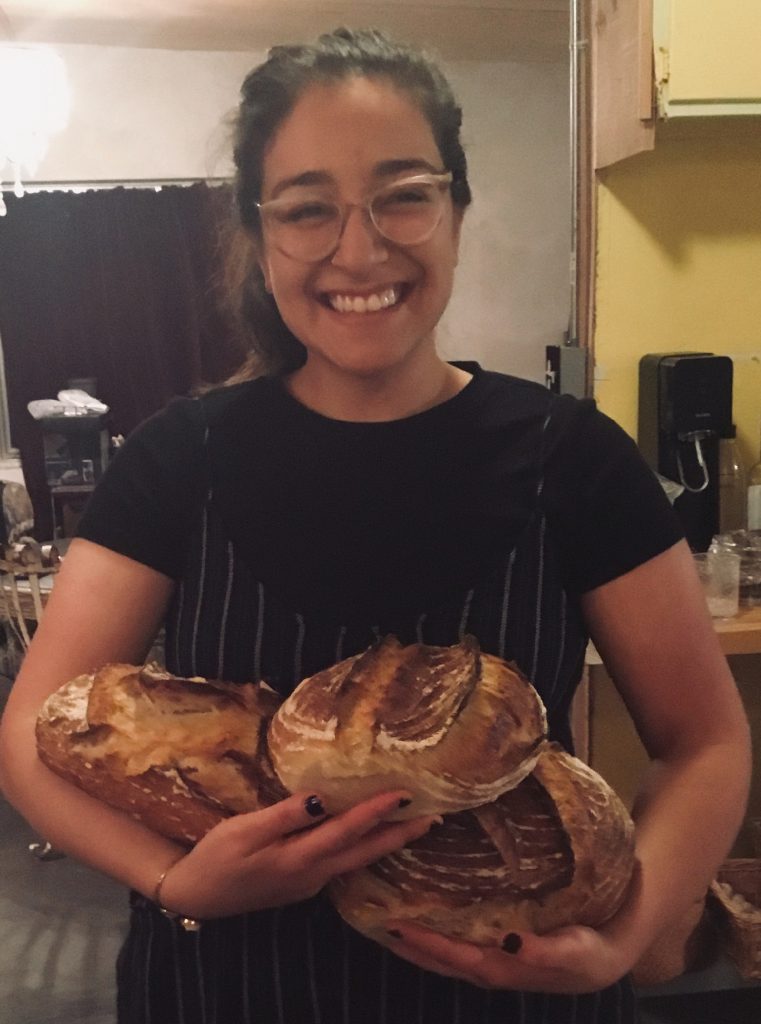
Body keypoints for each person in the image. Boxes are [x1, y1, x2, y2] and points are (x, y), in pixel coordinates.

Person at [0, 27, 751, 1024]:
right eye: (308, 210)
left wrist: (622, 935)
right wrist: (178, 883)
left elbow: (702, 741)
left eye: (403, 193)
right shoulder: (179, 460)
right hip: (232, 988)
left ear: (456, 207)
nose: (360, 248)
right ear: (261, 234)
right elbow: (31, 734)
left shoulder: (570, 458)